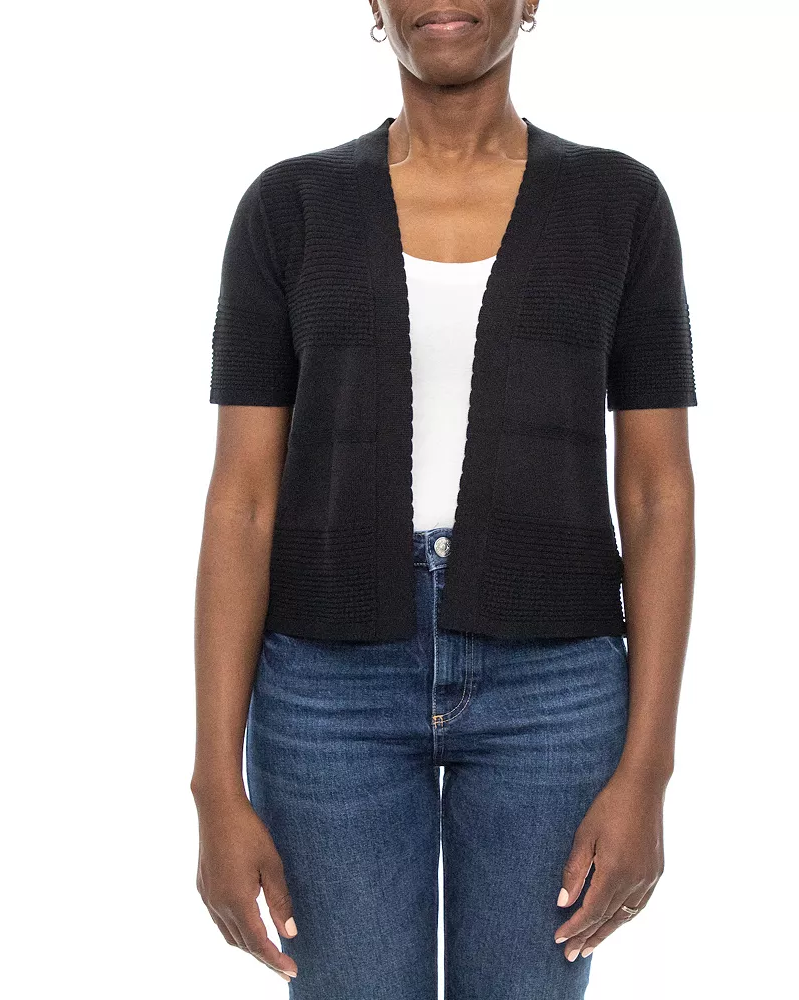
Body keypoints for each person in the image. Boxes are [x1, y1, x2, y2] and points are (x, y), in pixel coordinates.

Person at [192, 2, 697, 997]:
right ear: (374, 7)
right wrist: (214, 782)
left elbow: (656, 493)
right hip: (325, 688)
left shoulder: (619, 203)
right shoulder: (287, 208)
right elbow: (241, 500)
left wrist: (648, 772)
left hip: (554, 687)